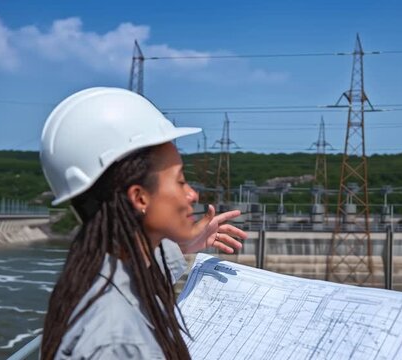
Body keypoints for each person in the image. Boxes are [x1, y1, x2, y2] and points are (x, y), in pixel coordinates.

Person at [39, 87, 247, 359]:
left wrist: (184, 243)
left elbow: (142, 271)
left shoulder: (95, 271)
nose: (192, 194)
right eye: (180, 180)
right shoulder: (116, 343)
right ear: (139, 197)